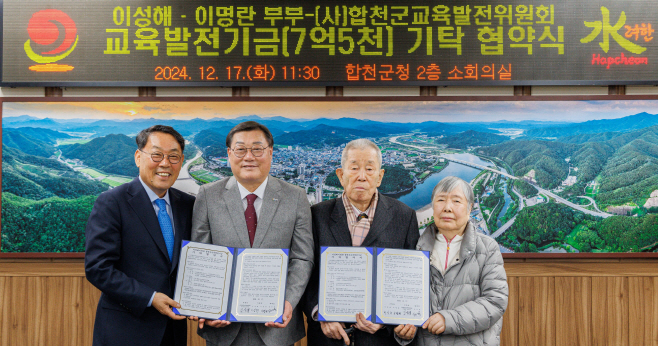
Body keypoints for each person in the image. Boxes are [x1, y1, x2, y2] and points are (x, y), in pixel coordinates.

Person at [191, 121, 313, 346]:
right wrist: (207, 307)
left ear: (270, 153)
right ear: (229, 154)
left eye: (257, 149)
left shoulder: (295, 197)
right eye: (240, 149)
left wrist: (288, 300)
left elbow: (302, 257)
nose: (249, 157)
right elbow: (201, 259)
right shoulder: (208, 195)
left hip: (276, 327)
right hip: (223, 327)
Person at [85, 125, 195, 346]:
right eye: (156, 155)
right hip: (125, 330)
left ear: (181, 161)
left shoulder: (188, 204)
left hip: (173, 331)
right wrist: (151, 297)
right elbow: (98, 268)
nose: (165, 163)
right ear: (138, 157)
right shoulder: (111, 202)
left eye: (173, 157)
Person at [302, 138, 419, 346]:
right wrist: (320, 313)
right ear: (340, 175)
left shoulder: (405, 216)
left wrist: (388, 323)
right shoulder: (316, 216)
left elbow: (409, 281)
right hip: (328, 337)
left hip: (380, 340)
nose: (361, 176)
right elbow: (304, 272)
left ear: (380, 176)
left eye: (370, 169)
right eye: (354, 168)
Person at [416, 176, 508, 346]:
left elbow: (495, 301)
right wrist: (403, 332)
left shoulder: (487, 248)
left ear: (469, 207)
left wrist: (448, 319)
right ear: (433, 206)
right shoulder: (416, 248)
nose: (447, 208)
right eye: (441, 200)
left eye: (456, 201)